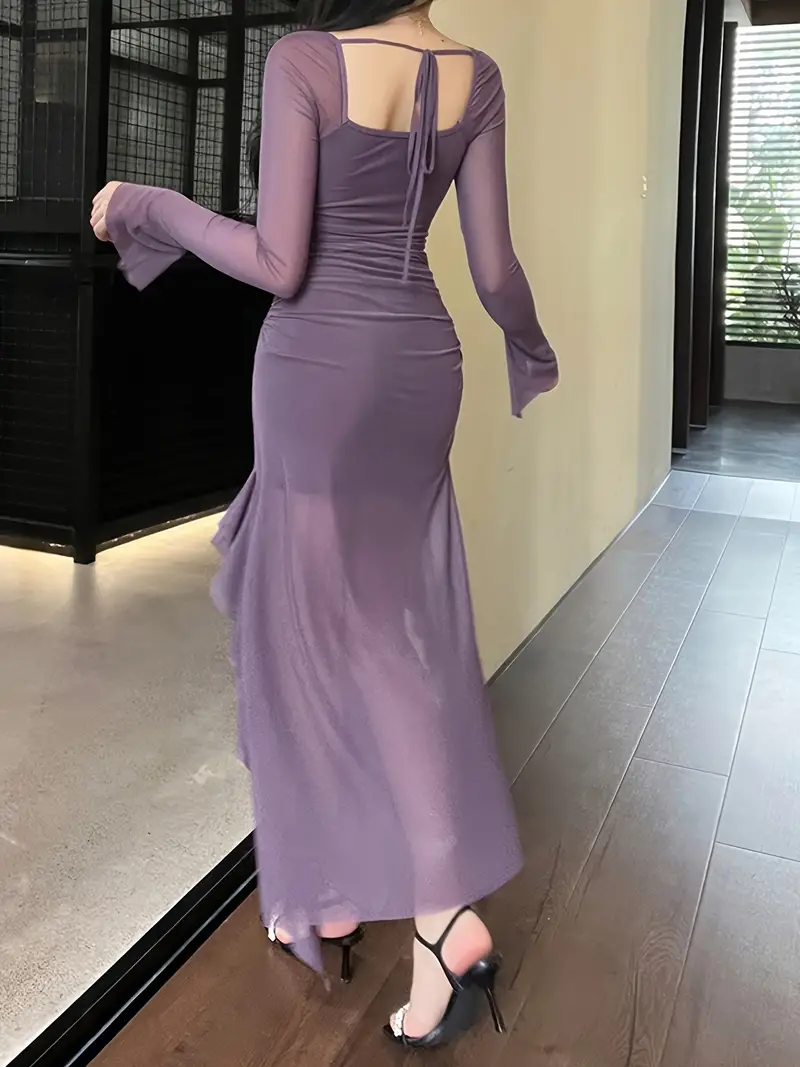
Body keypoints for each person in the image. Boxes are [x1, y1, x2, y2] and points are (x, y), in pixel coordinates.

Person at [91, 0, 558, 1048]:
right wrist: (530, 348)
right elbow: (493, 270)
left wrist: (146, 203)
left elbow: (279, 262)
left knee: (312, 634)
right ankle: (338, 891)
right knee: (389, 627)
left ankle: (438, 916)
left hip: (316, 369)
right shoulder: (477, 76)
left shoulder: (305, 61)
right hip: (422, 366)